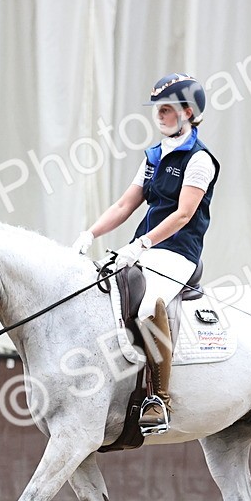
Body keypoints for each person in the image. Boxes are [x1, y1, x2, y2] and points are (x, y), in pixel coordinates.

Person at [74, 73, 220, 436]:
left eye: (168, 109)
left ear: (189, 112)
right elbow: (125, 204)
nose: (160, 115)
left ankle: (159, 399)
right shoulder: (153, 156)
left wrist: (142, 244)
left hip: (178, 252)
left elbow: (184, 214)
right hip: (146, 248)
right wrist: (89, 233)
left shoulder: (200, 160)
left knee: (147, 305)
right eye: (158, 108)